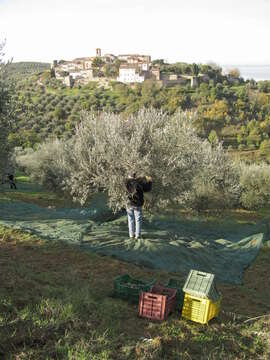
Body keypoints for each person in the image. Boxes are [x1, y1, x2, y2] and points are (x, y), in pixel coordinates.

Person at [125, 173, 152, 239]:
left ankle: (131, 235)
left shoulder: (126, 182)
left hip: (129, 204)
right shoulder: (138, 183)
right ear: (135, 176)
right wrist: (150, 181)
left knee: (130, 219)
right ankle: (137, 235)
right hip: (137, 204)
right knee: (138, 220)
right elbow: (147, 189)